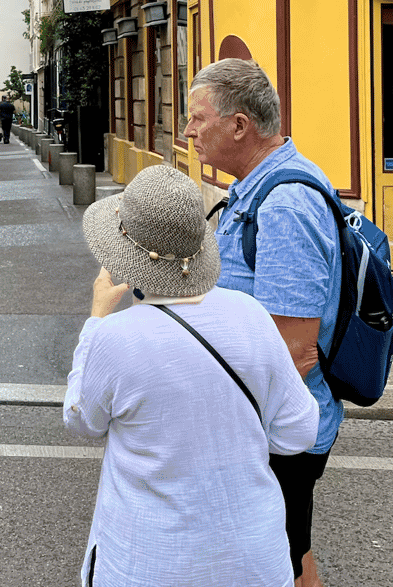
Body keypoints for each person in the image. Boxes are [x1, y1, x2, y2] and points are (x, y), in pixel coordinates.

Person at [64, 165, 319, 587]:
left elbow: (81, 418)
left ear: (125, 258)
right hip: (254, 562)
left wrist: (95, 319)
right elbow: (299, 431)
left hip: (148, 563)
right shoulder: (251, 315)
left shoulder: (116, 337)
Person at [182, 58, 343, 587]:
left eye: (197, 118)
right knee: (291, 554)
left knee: (275, 565)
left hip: (278, 433)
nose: (188, 131)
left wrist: (230, 432)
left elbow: (293, 353)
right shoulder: (259, 186)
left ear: (238, 126)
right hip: (271, 425)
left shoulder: (283, 206)